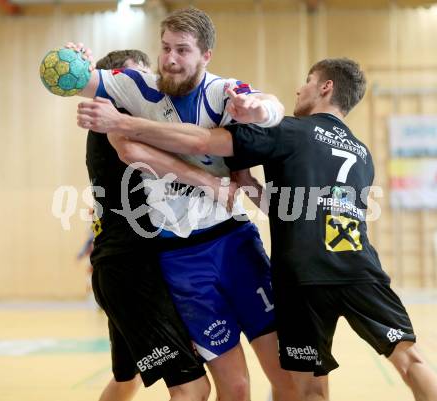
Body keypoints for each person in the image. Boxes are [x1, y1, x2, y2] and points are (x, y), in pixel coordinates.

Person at [80, 57, 437, 401]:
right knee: (411, 360)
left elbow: (203, 142)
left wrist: (124, 123)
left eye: (307, 82)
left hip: (302, 277)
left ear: (326, 87)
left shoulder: (290, 131)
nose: (299, 90)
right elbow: (295, 211)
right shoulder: (362, 153)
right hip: (358, 267)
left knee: (310, 389)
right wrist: (248, 183)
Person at [71, 7, 298, 401]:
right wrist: (75, 64)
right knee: (236, 385)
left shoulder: (221, 92)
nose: (171, 59)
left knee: (285, 375)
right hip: (180, 258)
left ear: (205, 55)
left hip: (233, 243)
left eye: (182, 50)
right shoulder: (136, 87)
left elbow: (269, 105)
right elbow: (81, 83)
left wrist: (257, 110)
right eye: (165, 48)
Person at [85, 49, 214, 401]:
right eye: (132, 80)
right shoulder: (116, 124)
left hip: (121, 266)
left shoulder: (121, 121)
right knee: (192, 388)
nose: (144, 87)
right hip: (130, 270)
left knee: (127, 381)